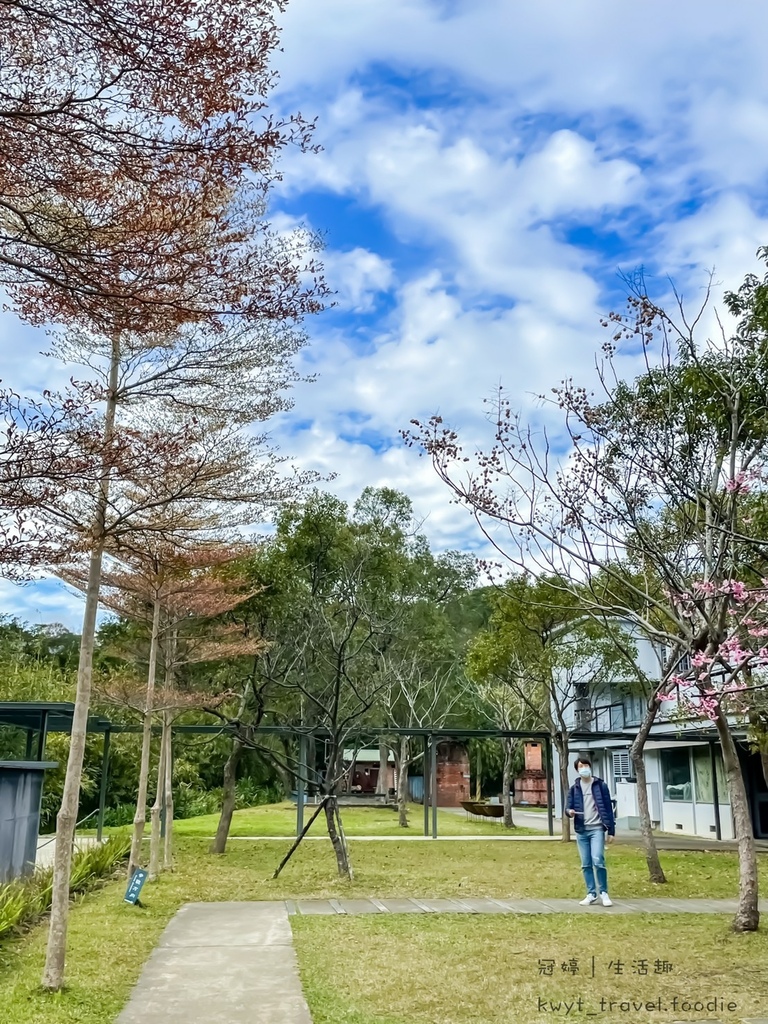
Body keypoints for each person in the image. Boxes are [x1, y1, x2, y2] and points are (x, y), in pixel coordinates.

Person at [565, 756, 615, 907]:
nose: (584, 768)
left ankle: (604, 893)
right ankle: (591, 893)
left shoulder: (600, 785)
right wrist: (570, 812)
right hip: (581, 830)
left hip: (597, 829)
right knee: (586, 864)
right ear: (577, 770)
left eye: (585, 765)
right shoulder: (574, 788)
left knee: (598, 859)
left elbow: (608, 808)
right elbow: (567, 808)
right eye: (580, 766)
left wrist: (611, 831)